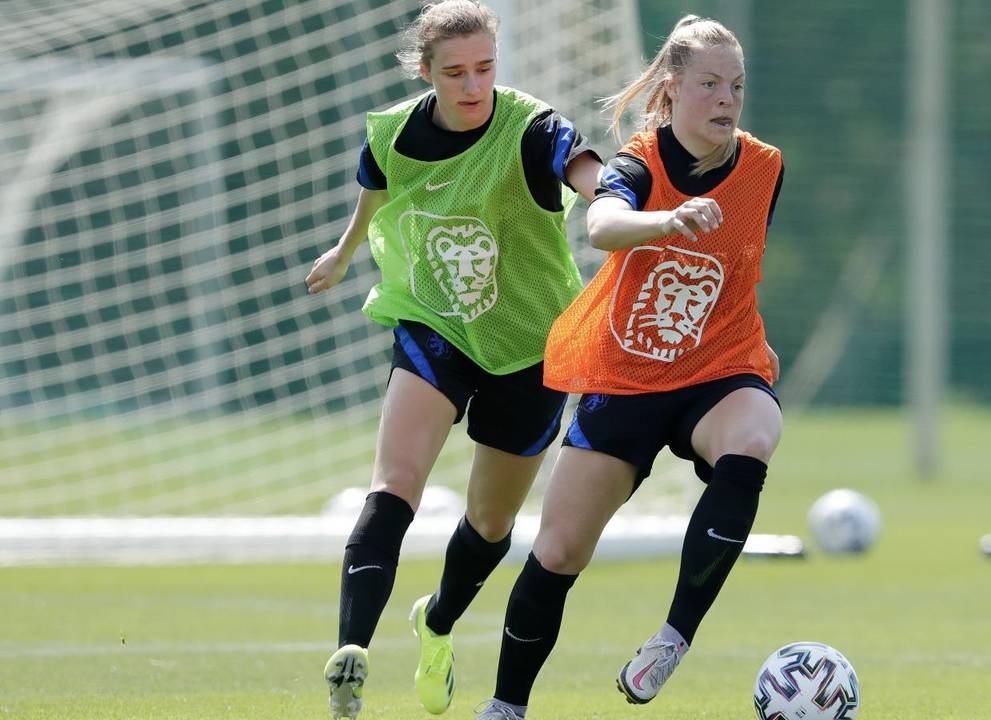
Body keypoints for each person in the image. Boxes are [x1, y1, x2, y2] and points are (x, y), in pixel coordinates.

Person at [473, 15, 785, 719]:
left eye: (736, 85)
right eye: (708, 84)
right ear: (670, 90)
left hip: (719, 367)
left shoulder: (765, 167)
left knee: (755, 435)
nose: (726, 99)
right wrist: (665, 222)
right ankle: (506, 706)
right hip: (627, 377)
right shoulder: (637, 164)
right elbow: (601, 225)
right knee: (557, 552)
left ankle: (675, 636)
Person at [303, 2, 601, 718]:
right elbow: (376, 192)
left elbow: (587, 170)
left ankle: (435, 623)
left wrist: (617, 198)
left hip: (532, 344)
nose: (474, 87)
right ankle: (352, 654)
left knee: (491, 524)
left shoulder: (531, 126)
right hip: (433, 321)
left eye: (486, 69)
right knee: (395, 481)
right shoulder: (393, 132)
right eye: (456, 73)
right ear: (426, 72)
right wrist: (344, 255)